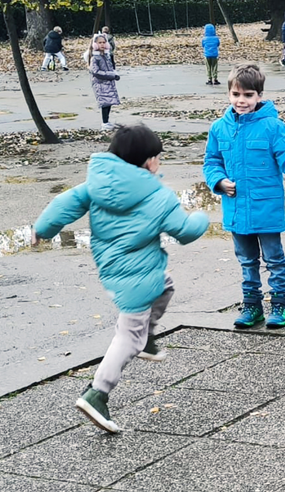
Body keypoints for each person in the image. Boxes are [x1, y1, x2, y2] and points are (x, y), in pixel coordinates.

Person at [32, 125, 209, 432]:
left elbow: (63, 205)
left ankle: (147, 338)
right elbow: (185, 232)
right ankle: (97, 393)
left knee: (165, 286)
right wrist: (201, 217)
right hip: (137, 275)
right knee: (128, 336)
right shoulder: (159, 197)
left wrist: (41, 229)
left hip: (112, 266)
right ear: (149, 161)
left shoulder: (96, 184)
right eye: (158, 157)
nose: (159, 162)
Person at [202, 64, 285, 330]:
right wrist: (218, 181)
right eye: (236, 94)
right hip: (236, 209)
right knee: (246, 260)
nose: (241, 100)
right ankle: (252, 305)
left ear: (259, 96)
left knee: (274, 259)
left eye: (248, 95)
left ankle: (280, 304)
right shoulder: (220, 128)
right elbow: (211, 162)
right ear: (229, 94)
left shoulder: (272, 127)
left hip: (266, 207)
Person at [85, 34, 121, 131]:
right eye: (100, 42)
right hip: (100, 84)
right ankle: (104, 123)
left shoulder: (106, 55)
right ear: (95, 44)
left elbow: (110, 67)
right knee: (105, 103)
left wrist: (114, 74)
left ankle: (107, 121)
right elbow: (96, 72)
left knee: (109, 102)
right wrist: (111, 75)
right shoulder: (95, 58)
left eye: (104, 42)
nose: (102, 44)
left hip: (108, 83)